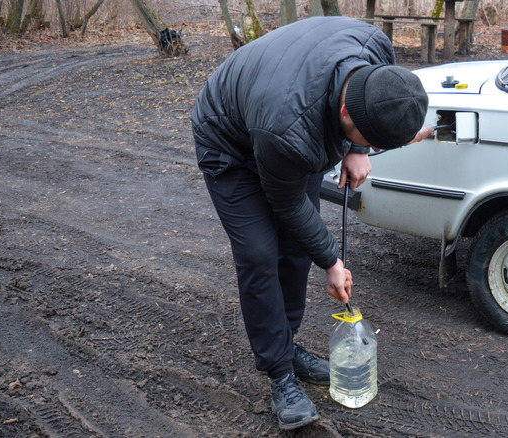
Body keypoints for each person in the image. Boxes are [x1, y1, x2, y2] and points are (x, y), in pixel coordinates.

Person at [191, 16, 432, 430]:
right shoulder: (290, 129)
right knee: (260, 252)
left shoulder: (377, 51)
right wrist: (333, 262)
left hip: (283, 123)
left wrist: (358, 147)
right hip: (229, 140)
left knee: (295, 248)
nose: (370, 148)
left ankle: (287, 345)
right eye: (366, 139)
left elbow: (364, 115)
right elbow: (288, 207)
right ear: (345, 109)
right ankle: (280, 375)